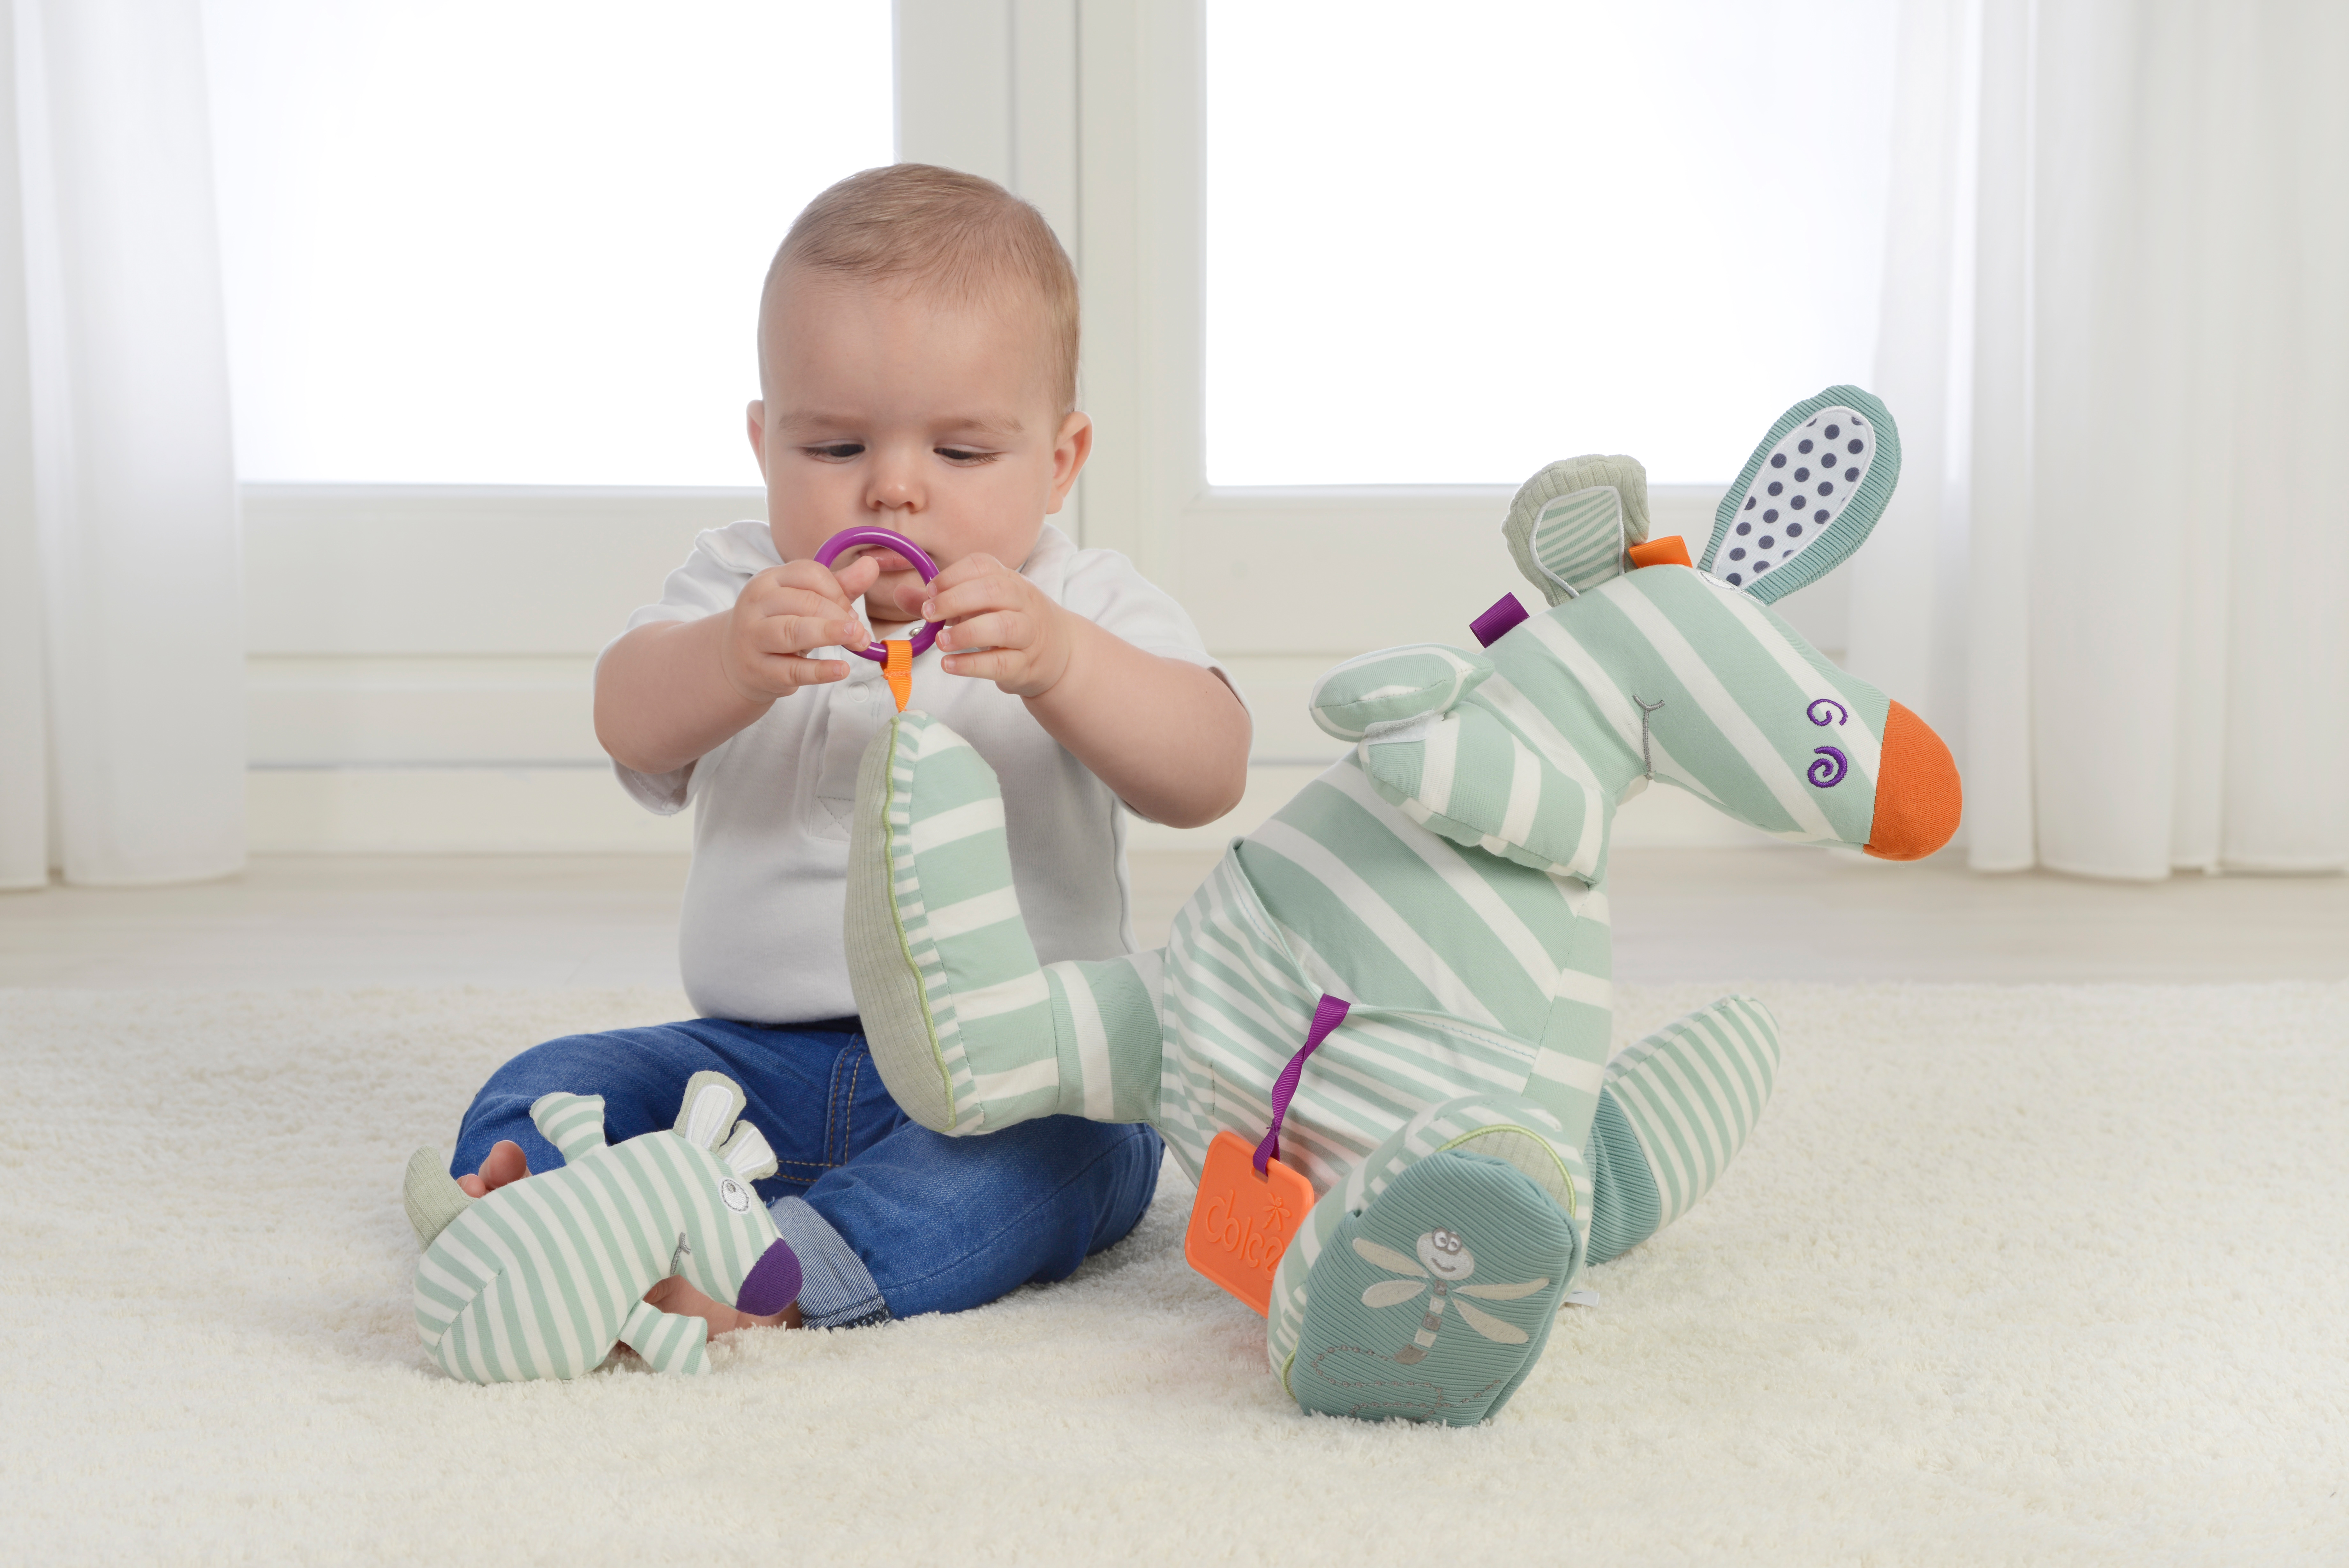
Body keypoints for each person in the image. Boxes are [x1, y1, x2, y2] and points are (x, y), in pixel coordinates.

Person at [444, 163, 1251, 1339]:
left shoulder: (1078, 602)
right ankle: (551, 1214)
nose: (895, 489)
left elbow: (1209, 769)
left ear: (1061, 460)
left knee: (1073, 1154)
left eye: (963, 454)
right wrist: (727, 660)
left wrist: (1067, 665)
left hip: (1010, 1080)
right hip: (749, 1068)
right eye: (833, 447)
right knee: (547, 1083)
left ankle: (788, 1271)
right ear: (766, 442)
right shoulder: (742, 587)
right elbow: (627, 719)